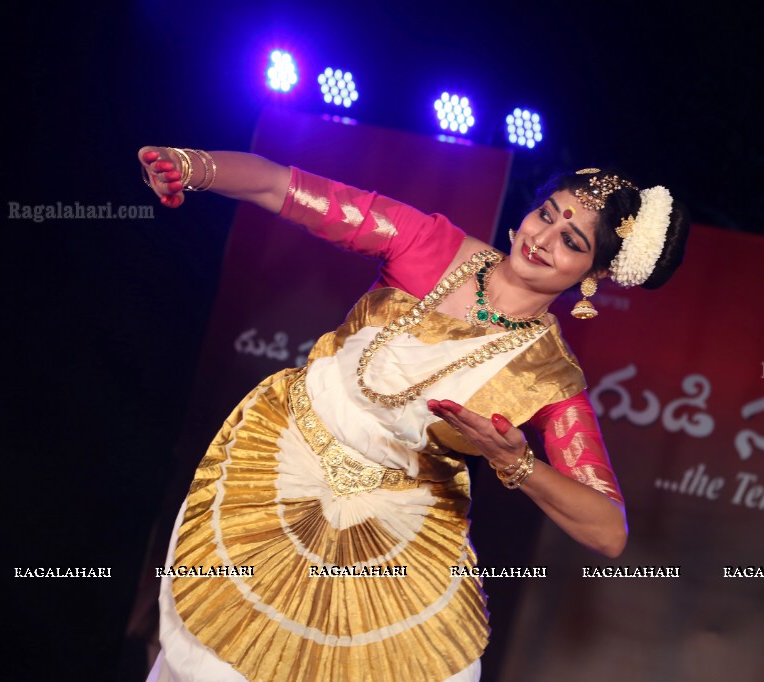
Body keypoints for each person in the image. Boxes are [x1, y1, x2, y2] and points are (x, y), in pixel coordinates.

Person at [138, 145, 690, 681]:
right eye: (545, 215)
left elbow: (607, 531)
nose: (543, 239)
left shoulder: (547, 377)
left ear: (591, 275)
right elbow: (279, 184)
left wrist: (517, 464)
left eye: (570, 242)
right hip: (285, 463)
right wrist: (193, 166)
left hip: (388, 535)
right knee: (214, 661)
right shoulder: (430, 245)